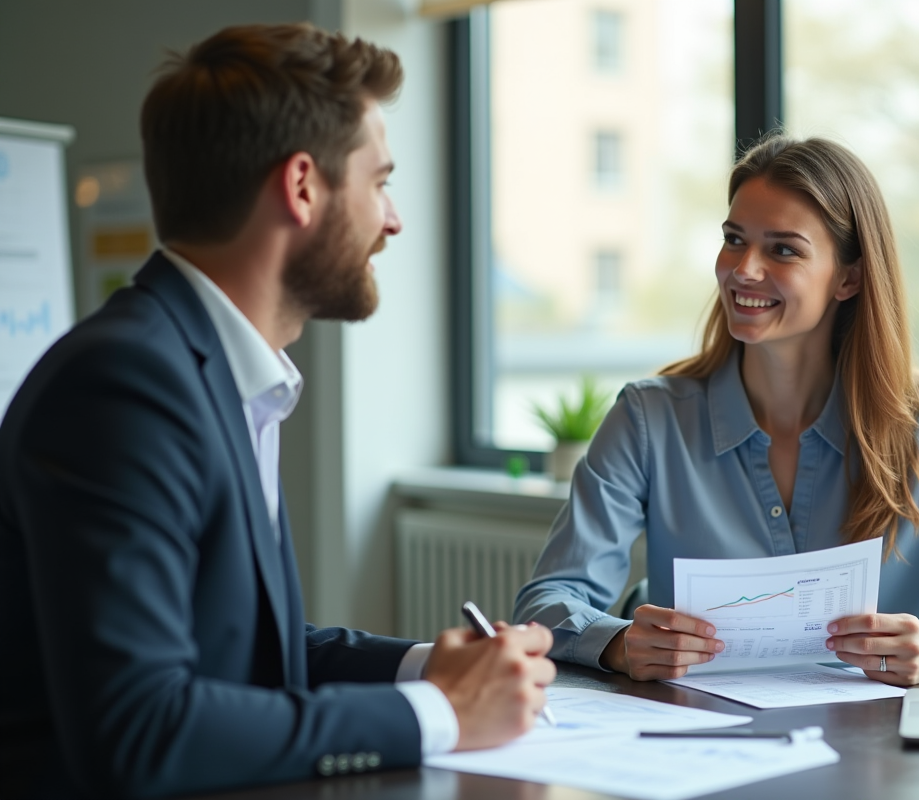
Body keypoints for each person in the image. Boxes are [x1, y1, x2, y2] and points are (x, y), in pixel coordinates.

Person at [0, 23, 553, 800]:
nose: (392, 220)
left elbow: (240, 647)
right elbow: (140, 727)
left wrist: (432, 666)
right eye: (379, 182)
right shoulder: (125, 384)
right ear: (302, 187)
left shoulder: (212, 370)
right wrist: (440, 713)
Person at [514, 135, 919, 685]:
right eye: (734, 238)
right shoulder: (648, 421)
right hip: (697, 747)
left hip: (875, 760)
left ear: (848, 278)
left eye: (783, 249)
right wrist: (618, 643)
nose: (743, 269)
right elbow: (548, 601)